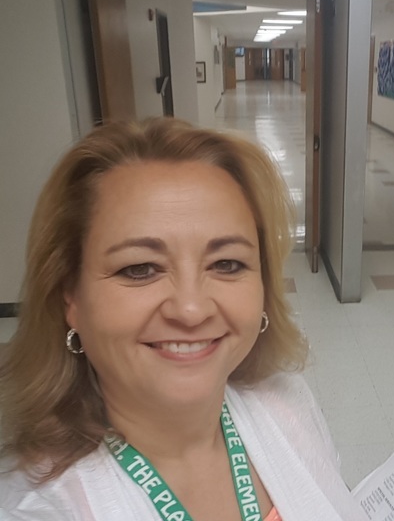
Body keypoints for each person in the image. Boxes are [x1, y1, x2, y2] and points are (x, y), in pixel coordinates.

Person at [0, 117, 366, 521]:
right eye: (140, 269)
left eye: (226, 264)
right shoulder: (37, 510)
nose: (192, 310)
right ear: (70, 296)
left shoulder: (287, 405)